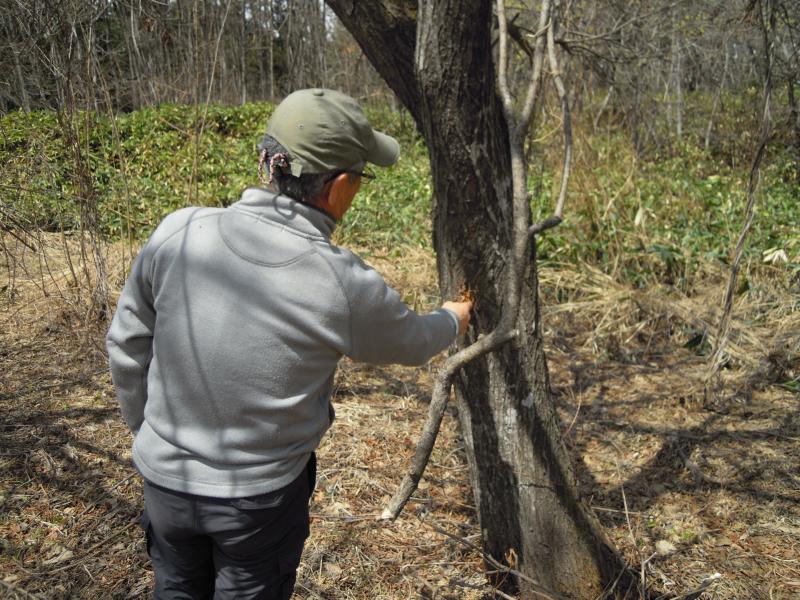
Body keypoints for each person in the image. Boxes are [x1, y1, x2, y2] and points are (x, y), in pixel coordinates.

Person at [106, 88, 473, 600]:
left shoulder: (178, 233)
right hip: (258, 502)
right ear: (340, 185)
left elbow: (126, 344)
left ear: (268, 161)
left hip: (166, 486)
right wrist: (453, 318)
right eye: (361, 177)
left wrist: (150, 432)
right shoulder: (339, 281)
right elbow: (412, 341)